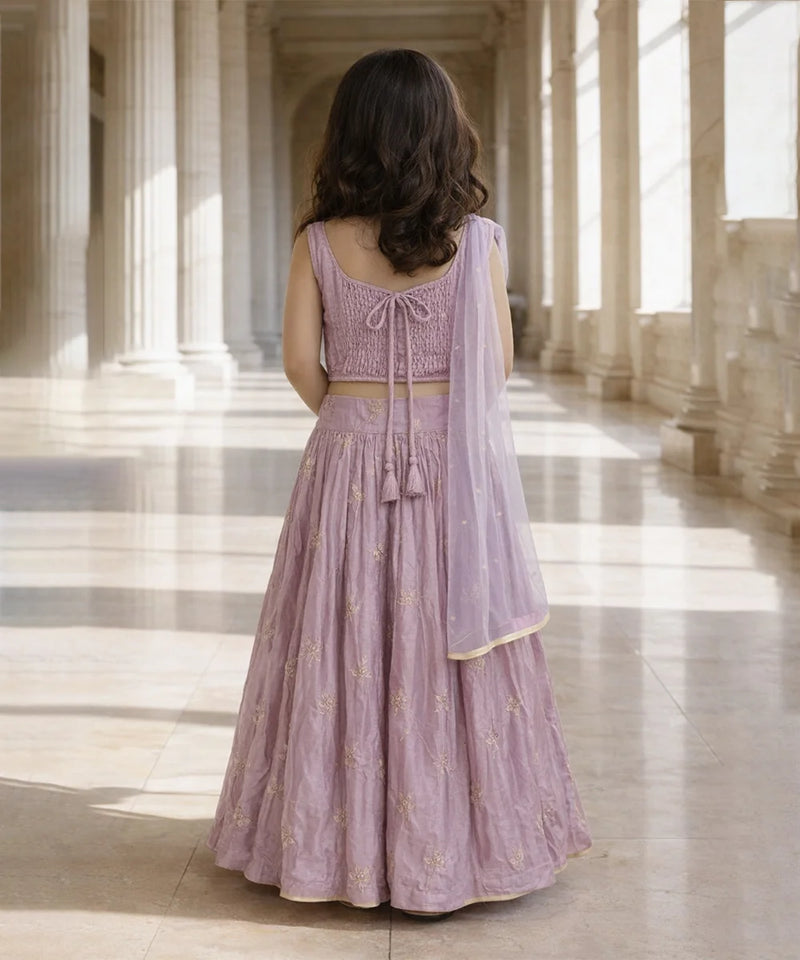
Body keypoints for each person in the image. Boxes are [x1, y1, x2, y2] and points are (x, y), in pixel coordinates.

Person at [207, 47, 591, 920]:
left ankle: (329, 847)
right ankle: (460, 847)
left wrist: (353, 421)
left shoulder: (316, 241)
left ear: (351, 135)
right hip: (450, 458)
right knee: (447, 643)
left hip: (346, 448)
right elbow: (495, 367)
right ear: (441, 133)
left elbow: (302, 363)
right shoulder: (479, 241)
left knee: (335, 639)